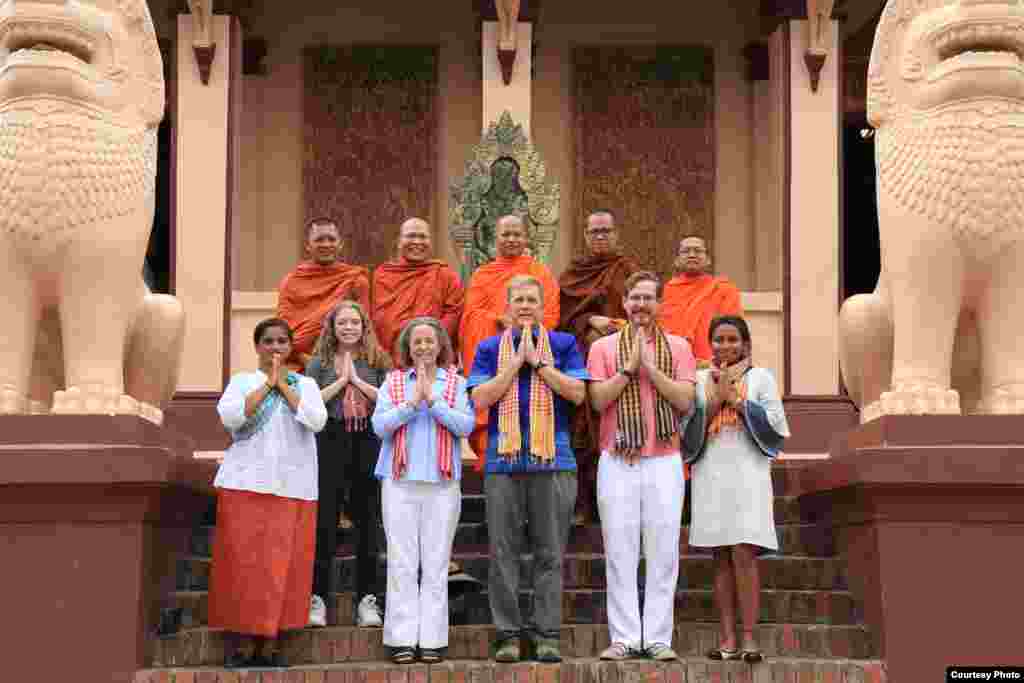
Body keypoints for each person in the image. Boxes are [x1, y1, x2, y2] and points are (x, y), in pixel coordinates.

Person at [467, 275, 588, 663]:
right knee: (503, 552)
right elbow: (480, 399)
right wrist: (515, 362)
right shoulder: (488, 348)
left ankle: (547, 633)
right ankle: (508, 635)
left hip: (554, 459)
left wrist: (539, 364)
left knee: (549, 551)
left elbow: (577, 392)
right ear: (507, 307)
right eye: (517, 299)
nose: (524, 306)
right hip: (503, 462)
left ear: (542, 307)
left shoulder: (563, 344)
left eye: (531, 300)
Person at [587, 271, 697, 661]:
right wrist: (630, 367)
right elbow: (598, 400)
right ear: (624, 304)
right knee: (619, 550)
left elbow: (685, 400)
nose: (641, 305)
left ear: (660, 305)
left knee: (664, 551)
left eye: (648, 298)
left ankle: (658, 639)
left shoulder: (680, 347)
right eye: (634, 298)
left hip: (664, 460)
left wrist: (650, 368)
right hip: (617, 460)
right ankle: (624, 637)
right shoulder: (603, 348)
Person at [209, 318, 328, 668]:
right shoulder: (242, 382)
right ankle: (245, 642)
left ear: (290, 347)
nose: (275, 348)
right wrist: (267, 386)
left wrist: (284, 386)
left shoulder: (304, 383)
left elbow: (315, 420)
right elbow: (230, 417)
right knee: (244, 565)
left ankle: (272, 642)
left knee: (282, 567)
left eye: (281, 342)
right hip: (244, 482)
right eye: (268, 341)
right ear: (257, 346)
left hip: (293, 486)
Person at [681, 315, 789, 663]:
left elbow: (776, 429)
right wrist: (716, 398)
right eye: (719, 339)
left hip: (748, 473)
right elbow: (687, 429)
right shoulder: (699, 380)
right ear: (709, 344)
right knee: (720, 556)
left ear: (745, 344)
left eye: (732, 339)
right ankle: (726, 639)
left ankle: (749, 639)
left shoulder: (762, 378)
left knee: (744, 552)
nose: (725, 345)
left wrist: (738, 401)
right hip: (711, 472)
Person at [372, 317, 475, 664]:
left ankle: (431, 639)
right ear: (407, 347)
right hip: (399, 482)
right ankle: (402, 638)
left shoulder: (455, 383)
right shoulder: (394, 381)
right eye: (417, 342)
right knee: (402, 561)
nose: (423, 347)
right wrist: (411, 404)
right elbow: (380, 426)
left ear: (440, 345)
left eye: (430, 341)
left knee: (436, 562)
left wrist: (433, 401)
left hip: (443, 484)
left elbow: (465, 425)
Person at [304, 301, 391, 628]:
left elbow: (390, 399)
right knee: (324, 521)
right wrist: (341, 382)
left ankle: (367, 601)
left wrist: (358, 380)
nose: (349, 328)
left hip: (368, 440)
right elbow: (310, 403)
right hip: (330, 439)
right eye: (343, 322)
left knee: (368, 521)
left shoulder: (377, 360)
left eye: (355, 322)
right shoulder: (318, 362)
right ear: (332, 327)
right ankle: (318, 600)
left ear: (364, 326)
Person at [558, 209, 638, 524]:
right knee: (581, 432)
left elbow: (642, 314)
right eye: (595, 232)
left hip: (621, 367)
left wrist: (614, 323)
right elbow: (560, 320)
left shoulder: (628, 270)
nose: (601, 236)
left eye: (606, 231)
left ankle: (619, 508)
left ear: (616, 234)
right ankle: (582, 505)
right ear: (586, 236)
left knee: (617, 431)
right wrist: (590, 319)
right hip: (581, 366)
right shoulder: (573, 273)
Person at [460, 215, 560, 461]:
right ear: (496, 238)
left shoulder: (540, 273)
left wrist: (521, 328)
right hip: (493, 359)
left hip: (534, 359)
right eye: (506, 234)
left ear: (526, 238)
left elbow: (551, 315)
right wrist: (499, 320)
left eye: (517, 234)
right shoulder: (483, 275)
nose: (512, 239)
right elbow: (471, 316)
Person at [277, 217, 371, 371]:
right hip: (298, 364)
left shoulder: (355, 281)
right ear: (308, 245)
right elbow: (282, 333)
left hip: (346, 365)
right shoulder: (291, 282)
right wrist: (313, 364)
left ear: (340, 244)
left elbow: (365, 331)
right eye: (319, 239)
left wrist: (339, 367)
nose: (326, 244)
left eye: (331, 239)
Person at [372, 217, 464, 361]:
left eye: (422, 237)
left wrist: (428, 342)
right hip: (392, 357)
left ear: (430, 242)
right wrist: (406, 343)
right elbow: (381, 319)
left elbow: (453, 314)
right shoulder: (383, 275)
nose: (417, 242)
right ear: (399, 241)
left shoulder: (445, 274)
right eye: (410, 236)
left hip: (433, 355)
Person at [659, 236, 743, 366]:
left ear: (708, 260)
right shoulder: (666, 291)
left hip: (713, 365)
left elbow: (734, 331)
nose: (692, 255)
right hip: (674, 365)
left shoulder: (724, 289)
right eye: (686, 251)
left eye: (698, 251)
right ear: (676, 261)